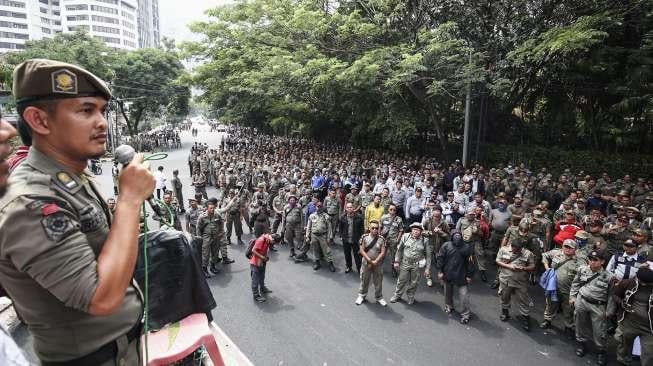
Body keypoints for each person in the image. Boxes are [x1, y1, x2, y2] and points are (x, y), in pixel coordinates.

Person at [0, 59, 154, 364]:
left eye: (102, 110)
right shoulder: (30, 202)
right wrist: (129, 201)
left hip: (122, 347)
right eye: (86, 110)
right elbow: (101, 298)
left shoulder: (68, 175)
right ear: (40, 121)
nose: (102, 122)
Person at [570, 249, 615, 365]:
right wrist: (573, 297)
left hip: (598, 305)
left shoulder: (609, 277)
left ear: (603, 261)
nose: (592, 262)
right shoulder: (582, 270)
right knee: (580, 324)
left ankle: (601, 351)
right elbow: (575, 283)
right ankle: (581, 344)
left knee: (599, 331)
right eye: (590, 259)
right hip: (582, 301)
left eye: (596, 260)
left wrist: (609, 310)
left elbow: (611, 296)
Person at [539, 239, 580, 337]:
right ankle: (547, 320)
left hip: (568, 290)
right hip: (553, 287)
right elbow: (544, 255)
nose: (567, 249)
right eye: (566, 246)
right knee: (550, 304)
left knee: (569, 309)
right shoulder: (556, 253)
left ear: (575, 250)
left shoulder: (579, 261)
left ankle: (568, 326)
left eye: (570, 248)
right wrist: (546, 266)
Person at [613, 266, 653, 366]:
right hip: (630, 322)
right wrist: (622, 303)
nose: (643, 284)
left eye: (646, 283)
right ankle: (622, 360)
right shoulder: (628, 283)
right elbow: (615, 295)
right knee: (624, 345)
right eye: (641, 281)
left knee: (649, 353)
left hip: (649, 328)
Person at [496, 238, 536, 331]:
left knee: (523, 299)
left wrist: (523, 268)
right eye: (515, 249)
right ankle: (505, 312)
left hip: (520, 281)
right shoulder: (503, 249)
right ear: (512, 246)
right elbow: (498, 261)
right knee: (504, 297)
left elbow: (532, 266)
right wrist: (509, 266)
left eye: (519, 250)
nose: (516, 251)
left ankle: (526, 318)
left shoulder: (527, 253)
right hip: (506, 279)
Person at [436, 230, 475, 324]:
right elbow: (440, 258)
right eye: (455, 236)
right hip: (448, 274)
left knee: (464, 296)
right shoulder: (446, 245)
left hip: (462, 275)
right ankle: (449, 306)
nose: (457, 237)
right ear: (452, 237)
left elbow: (471, 263)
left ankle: (465, 314)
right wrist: (440, 271)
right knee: (447, 293)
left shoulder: (466, 247)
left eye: (459, 235)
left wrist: (469, 275)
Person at [390, 223, 432, 305]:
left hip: (416, 264)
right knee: (401, 280)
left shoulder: (425, 240)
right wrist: (396, 261)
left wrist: (427, 268)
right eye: (414, 230)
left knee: (414, 282)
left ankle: (410, 296)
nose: (416, 232)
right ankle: (397, 295)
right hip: (405, 262)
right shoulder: (405, 236)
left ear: (421, 232)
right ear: (411, 230)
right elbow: (399, 250)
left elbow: (428, 256)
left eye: (418, 230)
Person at [355, 220, 387, 306]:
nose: (375, 230)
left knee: (378, 281)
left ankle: (379, 297)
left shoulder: (381, 239)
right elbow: (361, 250)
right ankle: (361, 295)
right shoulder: (364, 237)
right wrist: (369, 260)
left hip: (377, 264)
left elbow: (383, 252)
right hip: (366, 262)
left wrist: (376, 261)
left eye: (376, 228)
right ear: (369, 228)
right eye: (372, 228)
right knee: (364, 280)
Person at [305, 199, 336, 272]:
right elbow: (309, 227)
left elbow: (329, 228)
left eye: (320, 206)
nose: (319, 208)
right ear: (315, 207)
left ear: (322, 207)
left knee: (326, 250)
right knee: (315, 250)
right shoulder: (312, 216)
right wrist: (307, 236)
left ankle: (330, 263)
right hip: (314, 235)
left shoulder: (326, 216)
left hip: (323, 236)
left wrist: (329, 238)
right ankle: (317, 262)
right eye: (317, 206)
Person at [250, 233, 281, 303]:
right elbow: (253, 250)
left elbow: (264, 250)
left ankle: (262, 288)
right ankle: (256, 295)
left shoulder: (267, 240)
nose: (273, 244)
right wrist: (262, 257)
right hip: (255, 262)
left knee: (262, 276)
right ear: (272, 239)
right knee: (255, 280)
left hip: (261, 262)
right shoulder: (261, 240)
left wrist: (265, 257)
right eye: (274, 243)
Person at [380, 204, 404, 277]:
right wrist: (379, 237)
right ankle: (379, 268)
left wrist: (398, 239)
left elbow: (401, 230)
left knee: (393, 255)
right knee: (382, 254)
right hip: (384, 239)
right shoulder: (383, 217)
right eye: (391, 209)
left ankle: (393, 269)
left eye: (394, 210)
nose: (392, 211)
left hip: (393, 240)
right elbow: (380, 227)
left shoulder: (399, 219)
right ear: (388, 209)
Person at [340, 202, 365, 273]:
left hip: (356, 240)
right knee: (347, 254)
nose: (349, 209)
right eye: (348, 207)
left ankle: (359, 269)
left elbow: (362, 229)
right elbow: (341, 228)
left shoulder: (359, 218)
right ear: (346, 208)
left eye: (351, 207)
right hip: (346, 239)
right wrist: (341, 236)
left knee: (357, 256)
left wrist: (361, 239)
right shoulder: (343, 217)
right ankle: (348, 266)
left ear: (353, 208)